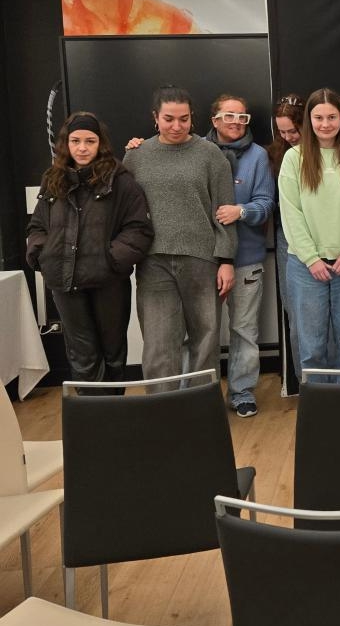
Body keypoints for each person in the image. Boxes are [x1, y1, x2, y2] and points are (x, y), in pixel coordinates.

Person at [26, 112, 153, 390]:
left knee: (112, 353)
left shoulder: (120, 181)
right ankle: (92, 422)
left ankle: (112, 418)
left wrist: (110, 259)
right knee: (82, 355)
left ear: (101, 144)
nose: (82, 148)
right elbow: (37, 226)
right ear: (66, 144)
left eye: (90, 141)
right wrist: (42, 254)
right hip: (64, 281)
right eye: (75, 141)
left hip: (108, 282)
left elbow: (138, 229)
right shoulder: (54, 179)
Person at [123, 85, 236, 382]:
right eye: (169, 119)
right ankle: (163, 414)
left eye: (183, 119)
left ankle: (201, 413)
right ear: (155, 118)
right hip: (153, 262)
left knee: (205, 342)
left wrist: (226, 259)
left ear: (192, 118)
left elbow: (224, 209)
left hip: (203, 260)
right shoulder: (136, 156)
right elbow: (124, 211)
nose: (177, 126)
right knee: (159, 346)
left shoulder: (210, 154)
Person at [279, 88, 340, 376]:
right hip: (306, 267)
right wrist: (310, 258)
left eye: (331, 117)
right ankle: (317, 408)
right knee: (311, 346)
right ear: (308, 121)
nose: (325, 124)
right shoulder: (294, 159)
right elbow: (291, 213)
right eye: (318, 117)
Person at [205, 94, 275, 416]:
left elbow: (265, 204)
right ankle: (200, 395)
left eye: (242, 117)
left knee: (244, 329)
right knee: (202, 331)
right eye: (229, 116)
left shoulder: (258, 156)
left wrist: (242, 211)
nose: (236, 122)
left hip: (246, 258)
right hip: (204, 260)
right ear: (214, 120)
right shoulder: (196, 152)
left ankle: (242, 391)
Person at [267, 93, 305, 375]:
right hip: (287, 234)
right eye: (282, 131)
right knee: (296, 310)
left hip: (328, 233)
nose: (289, 136)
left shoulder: (332, 150)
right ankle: (305, 381)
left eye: (293, 130)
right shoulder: (274, 154)